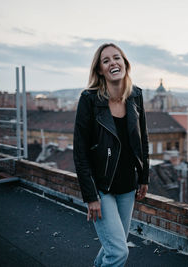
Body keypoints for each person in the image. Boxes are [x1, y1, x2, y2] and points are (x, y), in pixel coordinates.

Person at [73, 43, 149, 267]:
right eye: (106, 61)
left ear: (125, 63)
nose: (113, 63)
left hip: (127, 186)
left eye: (117, 58)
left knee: (113, 247)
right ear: (100, 70)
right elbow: (80, 152)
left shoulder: (136, 96)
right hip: (102, 187)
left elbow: (142, 140)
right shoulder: (89, 100)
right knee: (118, 252)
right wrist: (91, 196)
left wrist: (144, 177)